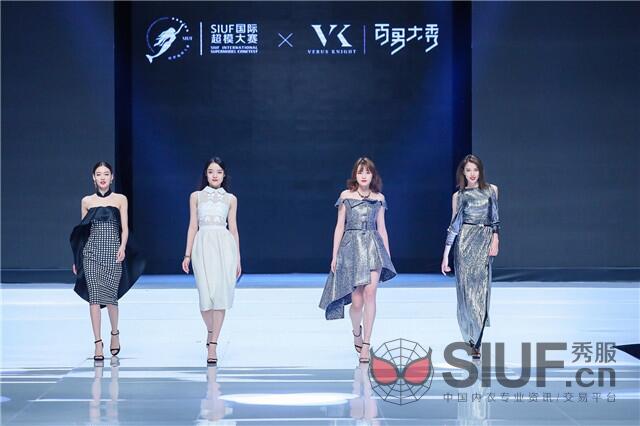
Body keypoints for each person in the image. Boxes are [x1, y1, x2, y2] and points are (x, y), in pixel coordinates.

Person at [319, 157, 396, 363]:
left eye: (367, 172)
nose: (363, 175)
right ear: (355, 174)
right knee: (356, 301)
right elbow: (339, 227)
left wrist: (387, 255)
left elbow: (382, 228)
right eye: (360, 172)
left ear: (373, 175)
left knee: (370, 294)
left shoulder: (379, 198)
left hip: (373, 247)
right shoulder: (346, 196)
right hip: (350, 248)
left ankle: (367, 344)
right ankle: (357, 332)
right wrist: (334, 255)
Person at [70, 161, 145, 361]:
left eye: (106, 174)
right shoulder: (87, 201)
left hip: (113, 252)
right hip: (91, 254)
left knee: (111, 298)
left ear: (112, 177)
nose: (102, 177)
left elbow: (125, 228)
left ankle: (114, 333)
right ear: (93, 178)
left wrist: (122, 247)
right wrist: (78, 258)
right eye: (98, 174)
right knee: (94, 298)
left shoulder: (120, 199)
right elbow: (83, 232)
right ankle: (97, 342)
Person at [182, 157, 241, 365]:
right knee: (205, 298)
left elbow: (233, 228)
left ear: (224, 175)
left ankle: (213, 344)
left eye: (218, 171)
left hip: (224, 247)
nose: (214, 175)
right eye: (210, 171)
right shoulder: (196, 196)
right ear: (205, 175)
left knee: (220, 295)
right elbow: (192, 226)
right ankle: (210, 331)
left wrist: (238, 259)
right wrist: (187, 254)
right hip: (202, 246)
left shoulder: (230, 199)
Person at [441, 154, 499, 359]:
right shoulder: (459, 196)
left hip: (484, 240)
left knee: (481, 290)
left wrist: (495, 239)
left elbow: (495, 218)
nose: (472, 174)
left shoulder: (492, 190)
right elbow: (454, 225)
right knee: (466, 293)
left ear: (480, 171)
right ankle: (473, 340)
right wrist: (445, 255)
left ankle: (478, 336)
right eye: (468, 170)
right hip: (464, 243)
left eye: (475, 169)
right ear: (463, 173)